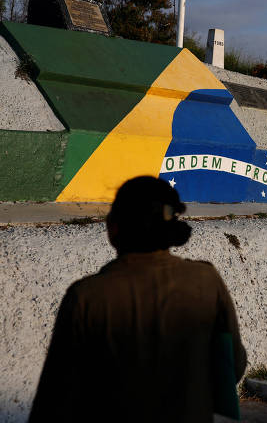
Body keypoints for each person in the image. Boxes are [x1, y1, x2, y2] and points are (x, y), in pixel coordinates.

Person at [29, 176, 247, 422]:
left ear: (113, 227)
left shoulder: (86, 297)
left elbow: (54, 399)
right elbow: (234, 366)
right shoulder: (207, 281)